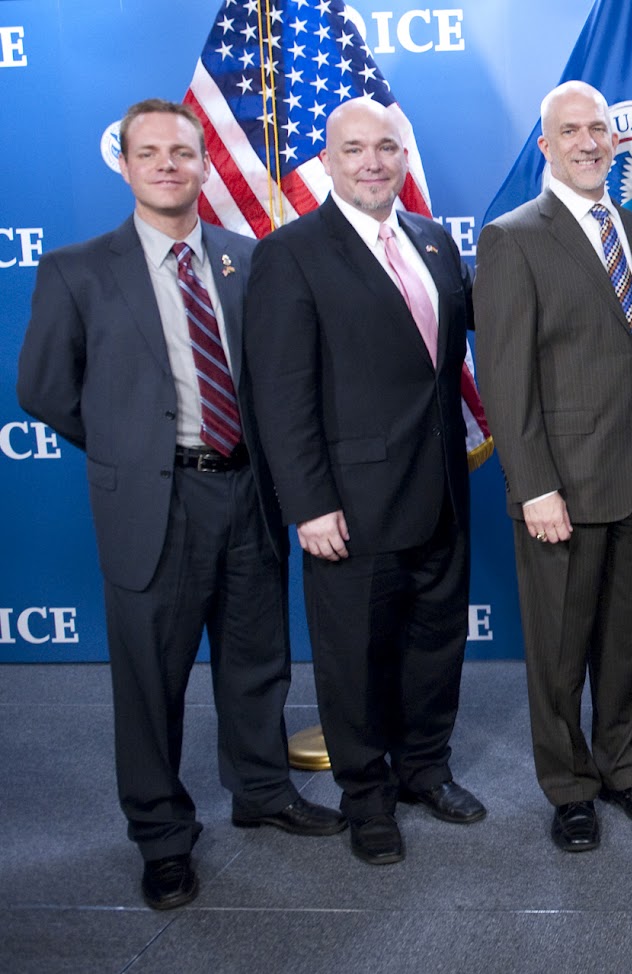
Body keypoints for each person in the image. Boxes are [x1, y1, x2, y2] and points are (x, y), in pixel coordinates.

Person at [15, 99, 343, 910]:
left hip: (247, 493)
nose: (169, 164)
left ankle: (263, 793)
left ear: (205, 164)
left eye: (184, 152)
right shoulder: (76, 268)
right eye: (150, 152)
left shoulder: (247, 258)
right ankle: (163, 835)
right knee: (149, 681)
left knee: (257, 660)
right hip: (154, 502)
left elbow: (280, 376)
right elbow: (44, 389)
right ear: (124, 165)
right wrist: (133, 451)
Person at [244, 97, 484, 867]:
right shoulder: (291, 252)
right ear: (328, 159)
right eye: (355, 150)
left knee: (435, 640)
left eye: (387, 147)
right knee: (353, 658)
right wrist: (308, 505)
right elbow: (280, 394)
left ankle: (424, 770)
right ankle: (367, 797)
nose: (374, 162)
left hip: (443, 485)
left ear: (405, 157)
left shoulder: (436, 241)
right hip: (349, 503)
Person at [475, 81, 632, 853]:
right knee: (560, 652)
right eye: (572, 131)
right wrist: (533, 486)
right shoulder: (513, 237)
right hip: (559, 486)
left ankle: (624, 768)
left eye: (600, 129)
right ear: (546, 146)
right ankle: (569, 790)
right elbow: (505, 377)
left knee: (628, 641)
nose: (590, 142)